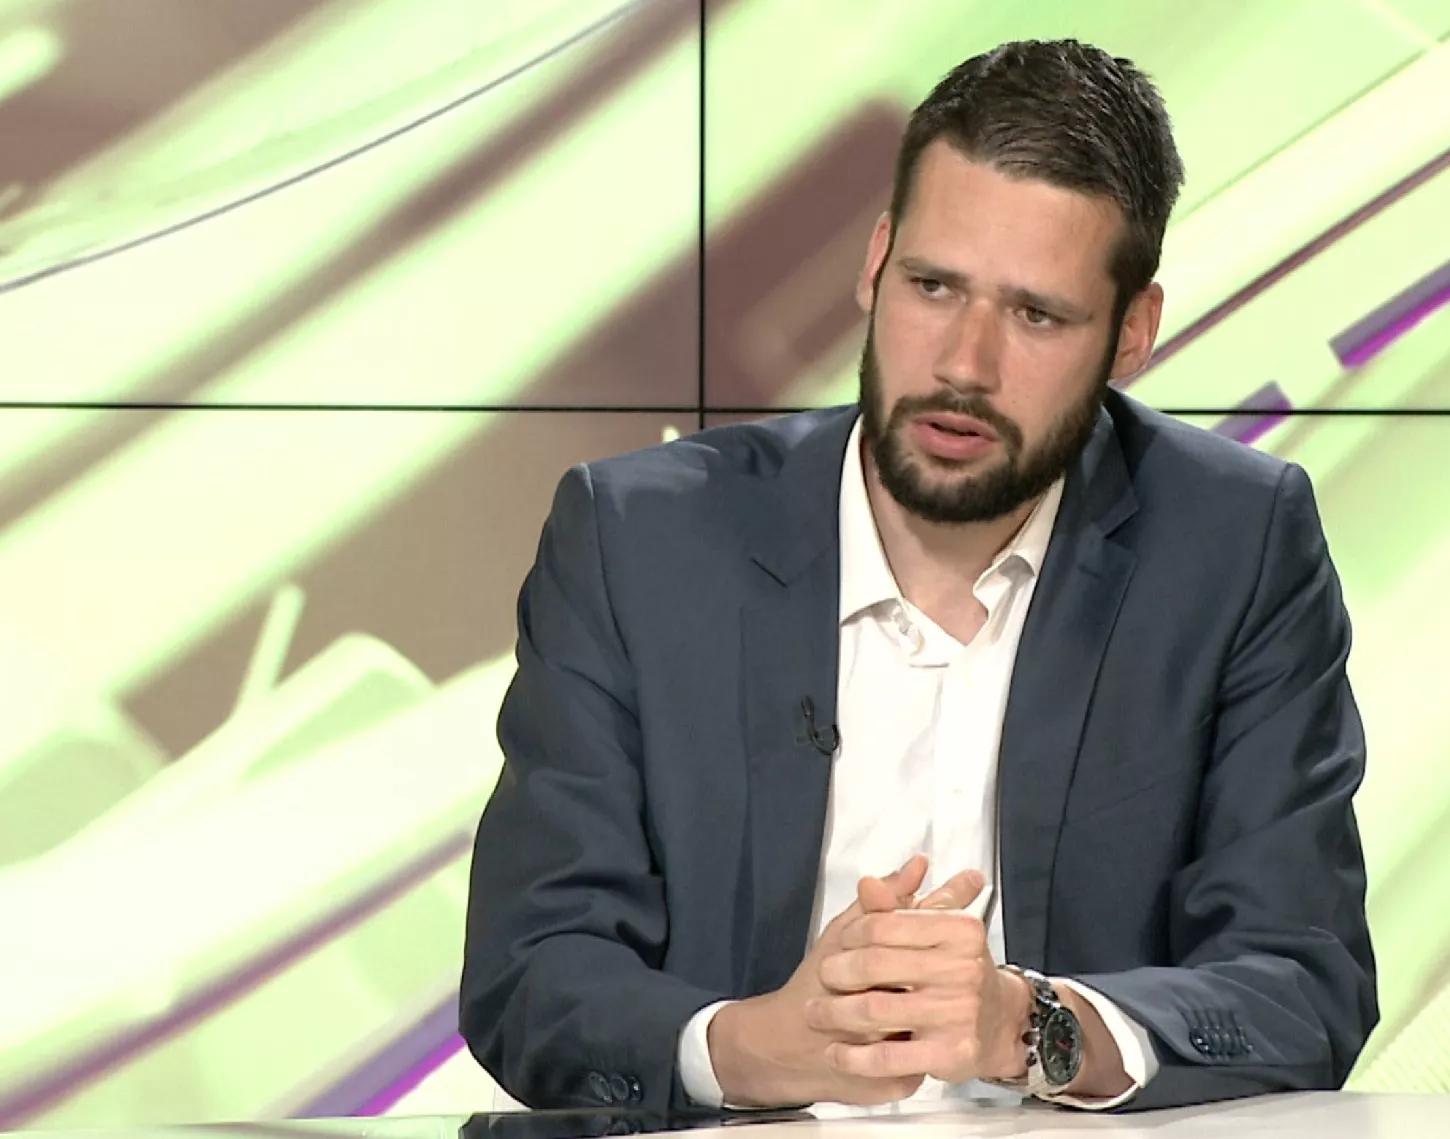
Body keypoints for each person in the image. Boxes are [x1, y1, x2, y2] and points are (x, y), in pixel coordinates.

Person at [459, 37, 1378, 1117]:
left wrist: (1029, 1026)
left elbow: (1302, 980)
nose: (962, 365)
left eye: (1035, 315)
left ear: (1132, 332)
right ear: (874, 261)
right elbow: (533, 971)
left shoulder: (1233, 545)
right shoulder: (640, 541)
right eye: (933, 286)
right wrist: (755, 1049)